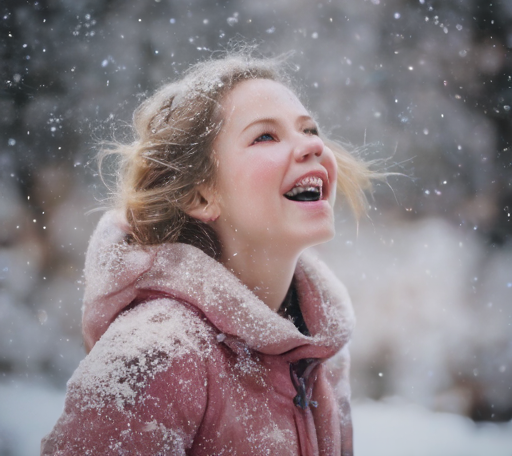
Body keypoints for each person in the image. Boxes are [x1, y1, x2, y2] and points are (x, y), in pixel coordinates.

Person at [41, 52, 379, 455]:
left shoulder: (320, 355)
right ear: (201, 195)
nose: (311, 146)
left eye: (309, 129)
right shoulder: (158, 352)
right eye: (265, 136)